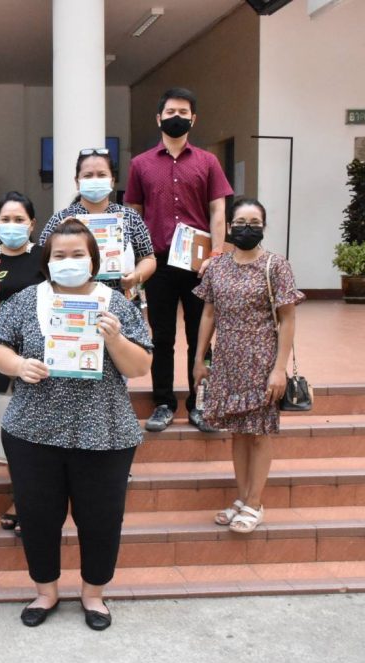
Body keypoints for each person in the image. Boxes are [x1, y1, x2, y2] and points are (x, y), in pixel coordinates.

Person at [0, 218, 152, 631]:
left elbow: (142, 366)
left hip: (105, 431)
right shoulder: (27, 300)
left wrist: (114, 340)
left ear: (93, 261)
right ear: (47, 261)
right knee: (39, 516)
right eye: (60, 255)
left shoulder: (116, 304)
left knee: (101, 518)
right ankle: (46, 590)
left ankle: (93, 594)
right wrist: (20, 365)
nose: (69, 262)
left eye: (78, 254)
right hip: (33, 431)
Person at [124, 87, 233, 434]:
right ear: (158, 118)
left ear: (193, 119)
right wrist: (137, 259)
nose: (177, 117)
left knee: (201, 334)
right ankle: (163, 402)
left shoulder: (208, 162)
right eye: (171, 111)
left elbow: (218, 210)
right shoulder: (140, 164)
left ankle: (200, 404)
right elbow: (134, 212)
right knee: (162, 336)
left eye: (183, 112)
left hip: (200, 263)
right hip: (157, 261)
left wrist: (216, 255)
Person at [193, 198, 304, 534]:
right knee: (238, 433)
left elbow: (287, 320)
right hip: (227, 363)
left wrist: (279, 368)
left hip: (262, 362)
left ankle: (255, 503)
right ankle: (242, 499)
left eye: (255, 223)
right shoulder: (216, 268)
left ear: (263, 228)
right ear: (228, 227)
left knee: (258, 434)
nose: (247, 227)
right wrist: (200, 359)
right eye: (241, 221)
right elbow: (209, 314)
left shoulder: (276, 266)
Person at [0, 191, 46, 537]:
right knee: (13, 430)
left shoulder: (46, 258)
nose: (12, 225)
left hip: (42, 357)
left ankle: (32, 499)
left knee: (41, 429)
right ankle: (24, 495)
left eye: (19, 219)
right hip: (2, 356)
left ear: (32, 223)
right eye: (5, 219)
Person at [38, 148, 155, 298]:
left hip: (118, 300)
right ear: (77, 182)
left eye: (101, 175)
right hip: (72, 302)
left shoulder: (129, 217)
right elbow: (41, 258)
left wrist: (136, 277)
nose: (95, 179)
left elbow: (148, 258)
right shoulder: (60, 219)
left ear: (112, 180)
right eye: (88, 175)